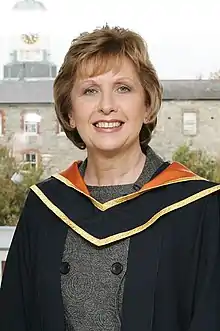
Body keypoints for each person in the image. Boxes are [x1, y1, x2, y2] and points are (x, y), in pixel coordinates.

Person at [1, 25, 220, 331]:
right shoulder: (45, 207)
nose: (106, 105)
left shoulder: (199, 208)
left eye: (123, 88)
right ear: (70, 113)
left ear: (147, 106)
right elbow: (14, 318)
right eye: (90, 90)